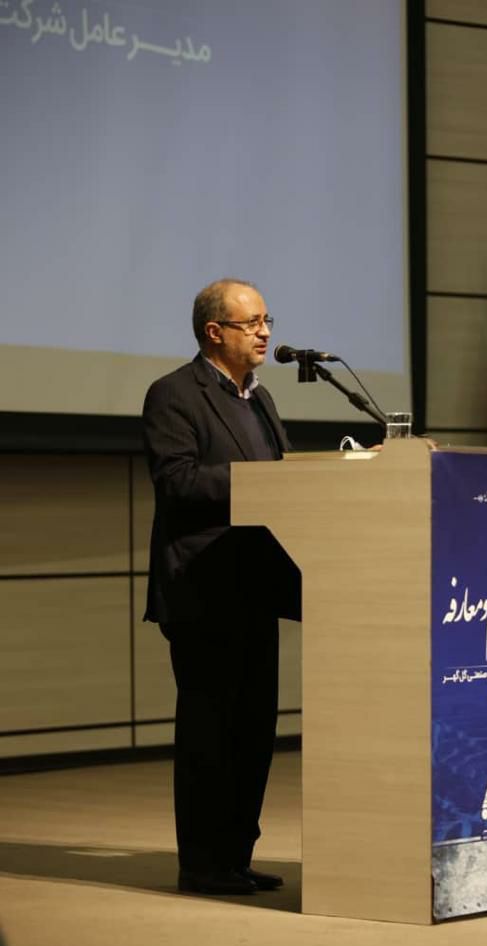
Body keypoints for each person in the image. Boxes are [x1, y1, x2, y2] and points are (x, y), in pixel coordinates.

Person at [142, 278, 300, 896]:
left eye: (266, 320)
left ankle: (236, 855)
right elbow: (177, 483)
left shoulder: (261, 400)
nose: (265, 332)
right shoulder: (174, 394)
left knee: (254, 733)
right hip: (203, 590)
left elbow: (285, 479)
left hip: (257, 587)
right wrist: (263, 483)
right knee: (210, 734)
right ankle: (202, 864)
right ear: (214, 332)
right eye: (251, 322)